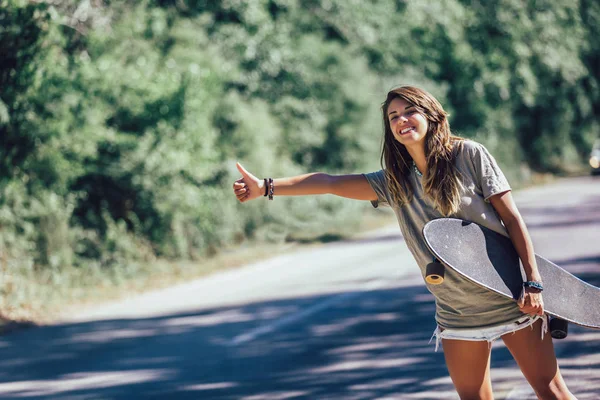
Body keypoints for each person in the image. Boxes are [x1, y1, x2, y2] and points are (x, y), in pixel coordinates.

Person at [232, 86, 575, 399]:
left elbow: (513, 219)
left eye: (409, 111)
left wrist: (533, 281)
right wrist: (266, 187)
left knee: (551, 392)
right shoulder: (395, 183)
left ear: (431, 114)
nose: (401, 120)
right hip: (456, 311)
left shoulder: (469, 155)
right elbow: (330, 182)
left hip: (510, 298)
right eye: (393, 116)